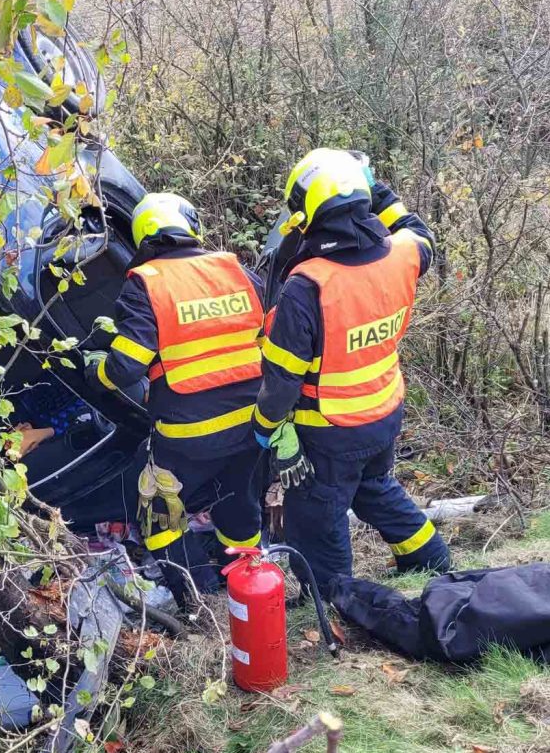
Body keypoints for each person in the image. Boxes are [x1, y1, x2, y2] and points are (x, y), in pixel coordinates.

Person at [252, 148, 449, 591]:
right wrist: (375, 189)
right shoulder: (404, 254)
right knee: (374, 488)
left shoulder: (308, 285)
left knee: (317, 517)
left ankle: (334, 601)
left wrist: (265, 427)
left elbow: (282, 381)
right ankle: (429, 557)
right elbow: (419, 231)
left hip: (330, 429)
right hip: (383, 413)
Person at [89, 192, 266, 604]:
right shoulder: (235, 269)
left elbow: (125, 368)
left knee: (156, 511)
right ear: (191, 225)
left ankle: (198, 596)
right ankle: (249, 583)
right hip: (251, 425)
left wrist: (95, 368)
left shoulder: (146, 282)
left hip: (189, 433)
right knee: (238, 503)